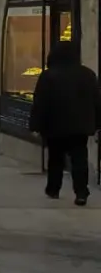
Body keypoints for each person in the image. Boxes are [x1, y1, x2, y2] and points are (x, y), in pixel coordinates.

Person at [30, 40, 101, 206]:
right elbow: (96, 101)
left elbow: (40, 102)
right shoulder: (88, 75)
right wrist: (97, 123)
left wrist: (36, 124)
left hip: (55, 125)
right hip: (80, 126)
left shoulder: (48, 76)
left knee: (55, 158)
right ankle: (81, 192)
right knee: (79, 158)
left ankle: (53, 188)